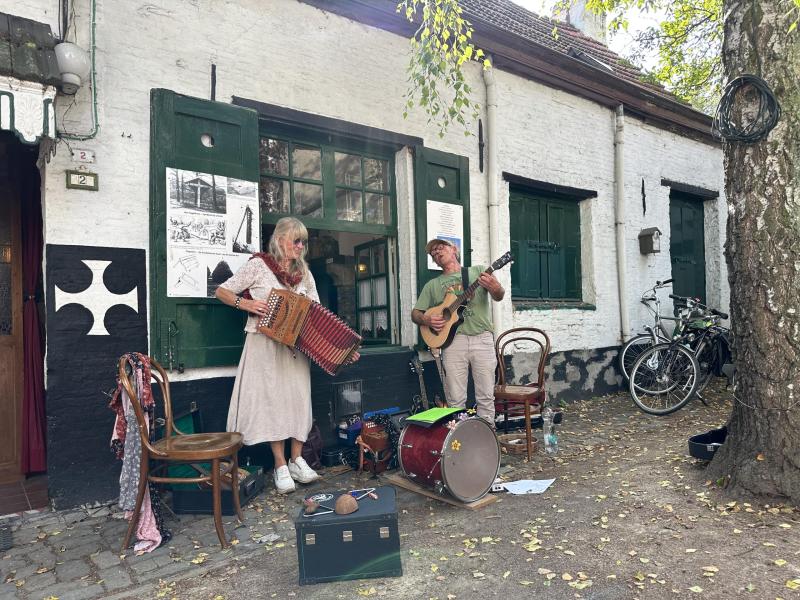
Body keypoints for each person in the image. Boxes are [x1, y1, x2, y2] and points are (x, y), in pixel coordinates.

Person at [215, 217, 321, 494]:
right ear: (280, 239)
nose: (300, 246)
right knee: (273, 402)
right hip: (264, 343)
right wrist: (246, 302)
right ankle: (280, 465)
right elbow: (222, 291)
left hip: (297, 346)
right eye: (296, 240)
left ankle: (297, 459)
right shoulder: (259, 266)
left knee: (298, 399)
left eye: (303, 242)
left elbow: (317, 308)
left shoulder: (304, 273)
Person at [411, 239, 505, 426]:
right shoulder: (433, 285)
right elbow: (415, 314)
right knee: (455, 397)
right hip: (453, 343)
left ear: (454, 249)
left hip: (482, 338)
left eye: (441, 247)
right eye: (433, 252)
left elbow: (499, 295)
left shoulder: (477, 272)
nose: (437, 252)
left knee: (486, 395)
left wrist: (496, 289)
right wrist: (427, 319)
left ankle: (487, 435)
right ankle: (459, 437)